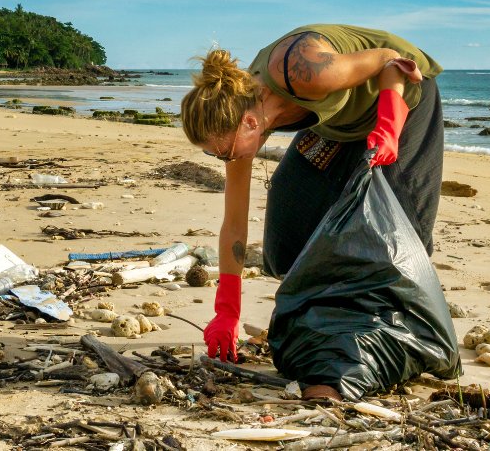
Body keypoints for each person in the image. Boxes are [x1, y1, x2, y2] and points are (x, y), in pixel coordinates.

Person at [180, 23, 444, 398]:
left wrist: (387, 125)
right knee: (287, 226)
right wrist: (227, 311)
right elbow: (235, 225)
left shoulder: (304, 70)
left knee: (399, 228)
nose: (224, 159)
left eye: (223, 152)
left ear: (251, 123)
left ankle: (393, 333)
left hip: (402, 98)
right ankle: (320, 319)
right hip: (337, 125)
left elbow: (392, 61)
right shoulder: (241, 118)